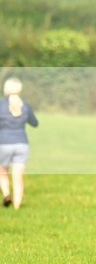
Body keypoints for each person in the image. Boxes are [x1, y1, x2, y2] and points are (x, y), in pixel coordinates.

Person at [1, 78, 39, 210]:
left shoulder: (1, 105)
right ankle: (17, 207)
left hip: (4, 143)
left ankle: (6, 194)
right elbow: (35, 123)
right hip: (22, 144)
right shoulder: (25, 106)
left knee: (2, 172)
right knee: (18, 177)